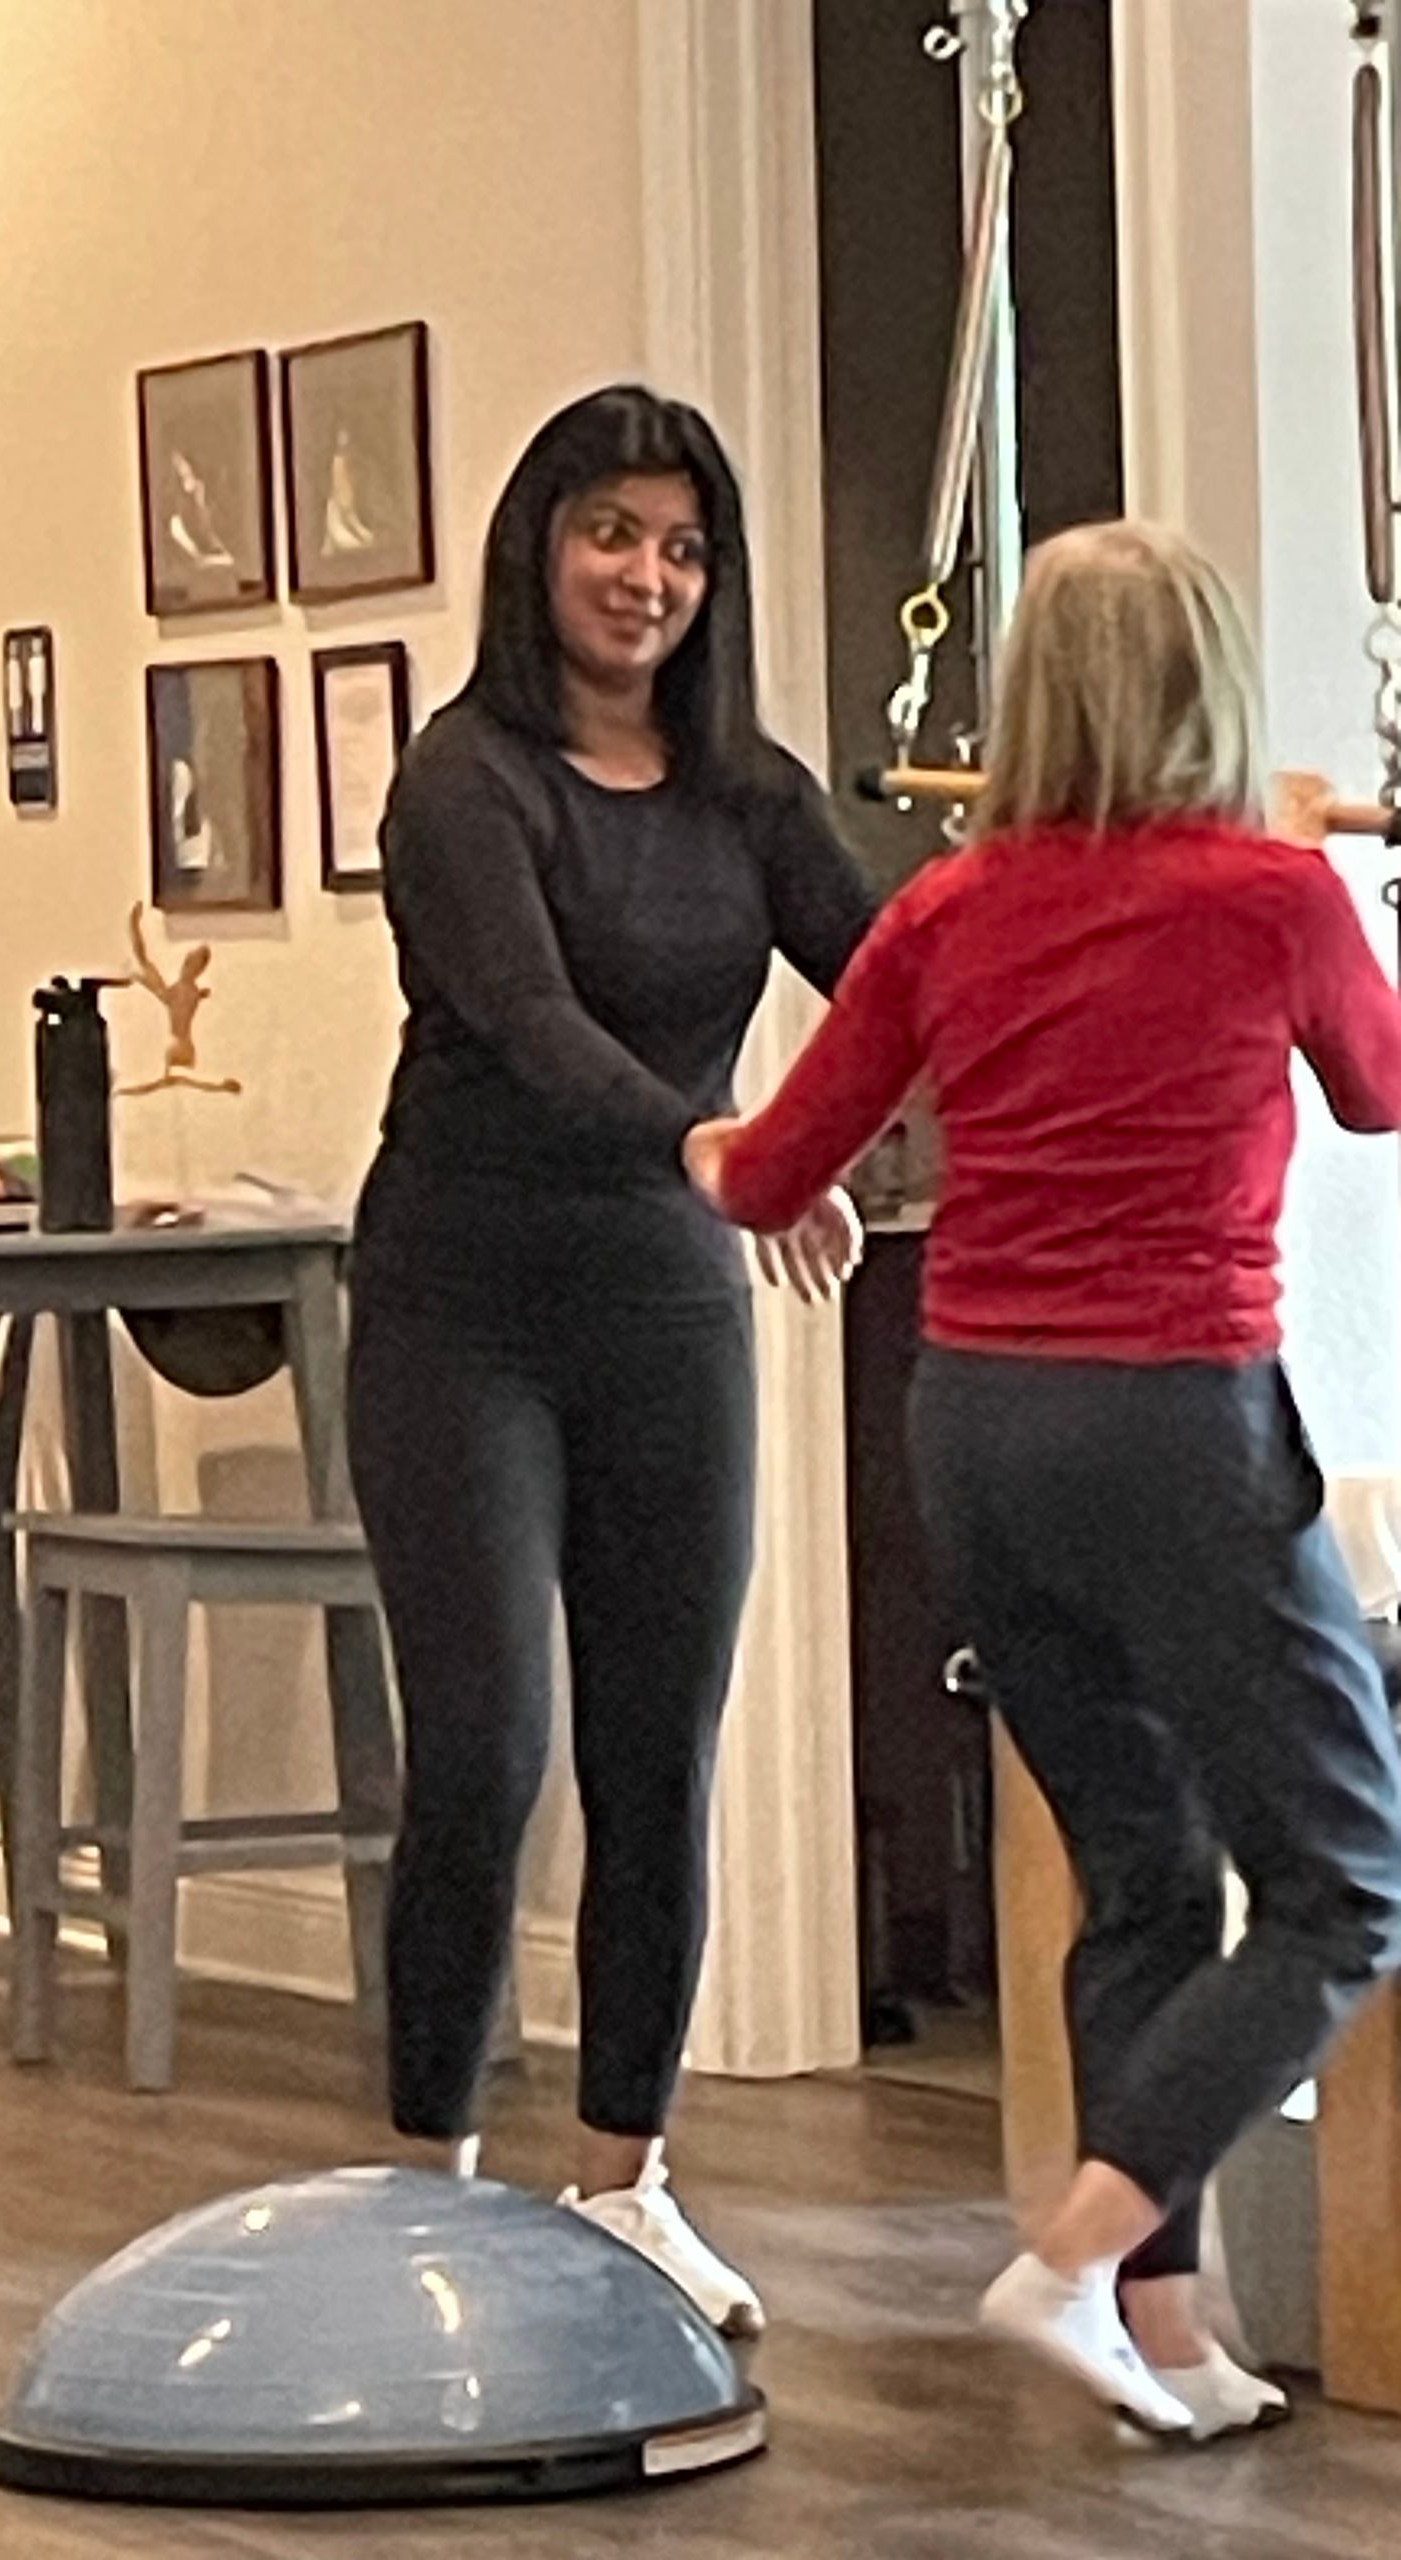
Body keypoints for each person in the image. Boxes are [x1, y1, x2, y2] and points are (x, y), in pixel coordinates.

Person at [689, 519, 1401, 2435]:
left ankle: (1160, 2334)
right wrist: (1313, 850)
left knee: (1150, 1879)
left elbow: (767, 1174)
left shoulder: (945, 908)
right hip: (1170, 1422)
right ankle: (1081, 2251)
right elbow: (1383, 1087)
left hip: (979, 1431)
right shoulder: (1273, 896)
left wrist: (692, 1154)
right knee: (1350, 1883)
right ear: (1219, 700)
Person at [345, 385, 875, 2332]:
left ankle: (630, 2178)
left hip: (664, 1307)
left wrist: (1091, 926)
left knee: (660, 1751)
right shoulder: (464, 779)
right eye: (612, 533)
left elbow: (892, 967)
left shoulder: (750, 791)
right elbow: (532, 1020)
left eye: (682, 545)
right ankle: (429, 2181)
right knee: (487, 1745)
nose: (646, 575)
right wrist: (722, 1143)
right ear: (539, 545)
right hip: (457, 1302)